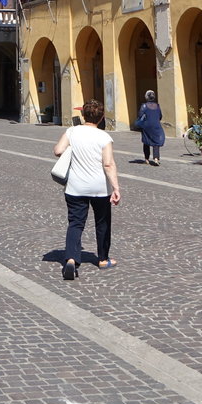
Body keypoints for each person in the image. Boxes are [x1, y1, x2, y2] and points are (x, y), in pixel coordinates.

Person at [54, 100, 120, 280]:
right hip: (99, 188)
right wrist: (116, 188)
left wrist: (73, 150)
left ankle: (71, 260)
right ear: (101, 118)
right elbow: (108, 164)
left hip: (75, 187)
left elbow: (58, 150)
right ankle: (103, 259)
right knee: (102, 222)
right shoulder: (104, 137)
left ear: (84, 115)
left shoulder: (72, 131)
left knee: (75, 223)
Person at [136, 90, 166, 165]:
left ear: (146, 97)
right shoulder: (157, 106)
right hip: (156, 125)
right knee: (156, 142)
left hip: (146, 126)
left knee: (146, 141)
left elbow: (140, 115)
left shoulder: (144, 106)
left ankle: (146, 159)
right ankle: (156, 158)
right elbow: (160, 116)